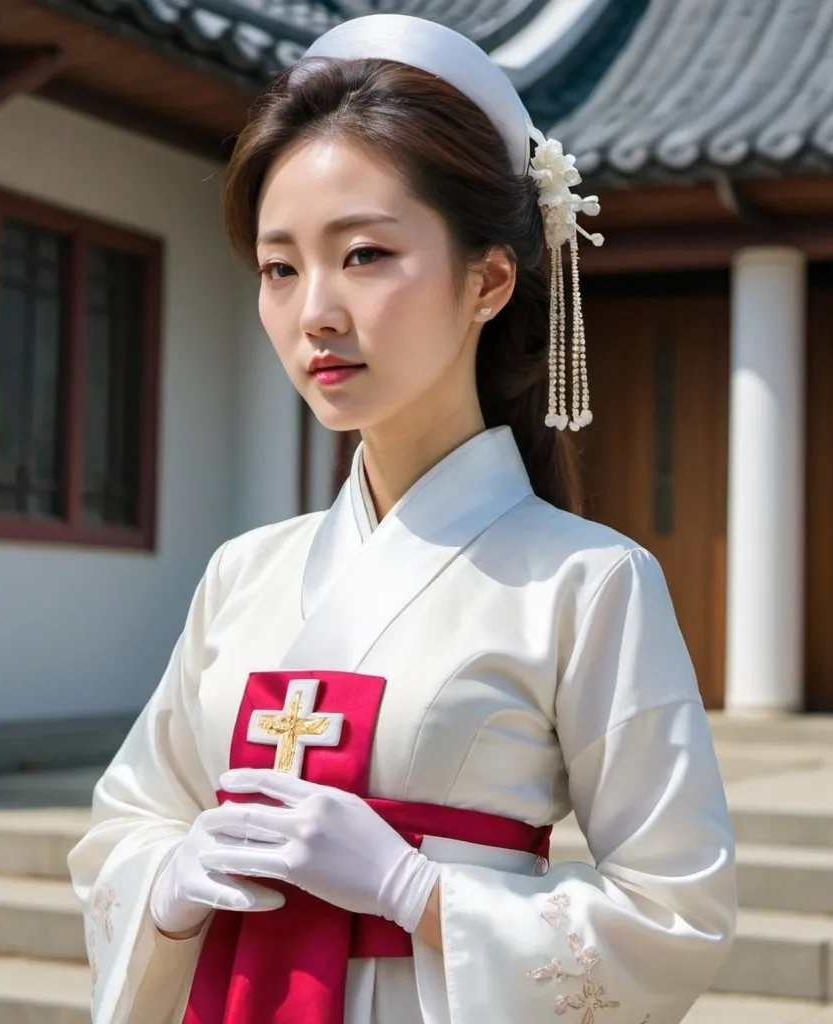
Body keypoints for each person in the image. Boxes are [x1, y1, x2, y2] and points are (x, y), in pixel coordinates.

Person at [67, 13, 737, 1024]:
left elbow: (677, 910)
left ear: (488, 280)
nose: (314, 314)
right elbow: (132, 816)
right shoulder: (243, 572)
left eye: (366, 254)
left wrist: (414, 892)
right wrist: (166, 877)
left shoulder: (589, 582)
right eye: (280, 267)